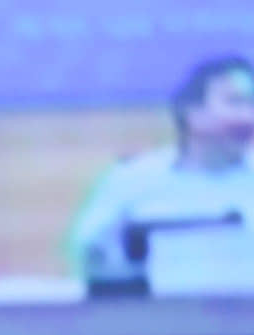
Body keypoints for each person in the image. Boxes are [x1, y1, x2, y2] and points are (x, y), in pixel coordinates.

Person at [70, 54, 254, 278]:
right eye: (236, 102)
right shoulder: (133, 178)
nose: (248, 116)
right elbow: (92, 252)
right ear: (192, 113)